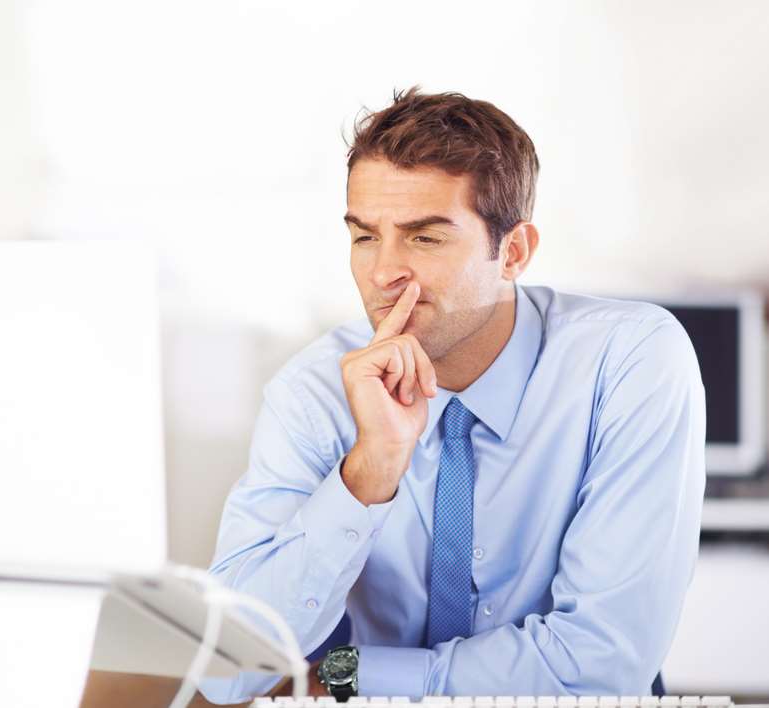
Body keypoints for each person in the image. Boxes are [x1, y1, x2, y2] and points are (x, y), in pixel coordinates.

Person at [198, 87, 705, 702]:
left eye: (424, 238)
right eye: (365, 237)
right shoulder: (313, 392)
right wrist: (370, 469)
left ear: (512, 252)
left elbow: (601, 665)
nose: (383, 273)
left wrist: (350, 676)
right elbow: (230, 669)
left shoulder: (629, 360)